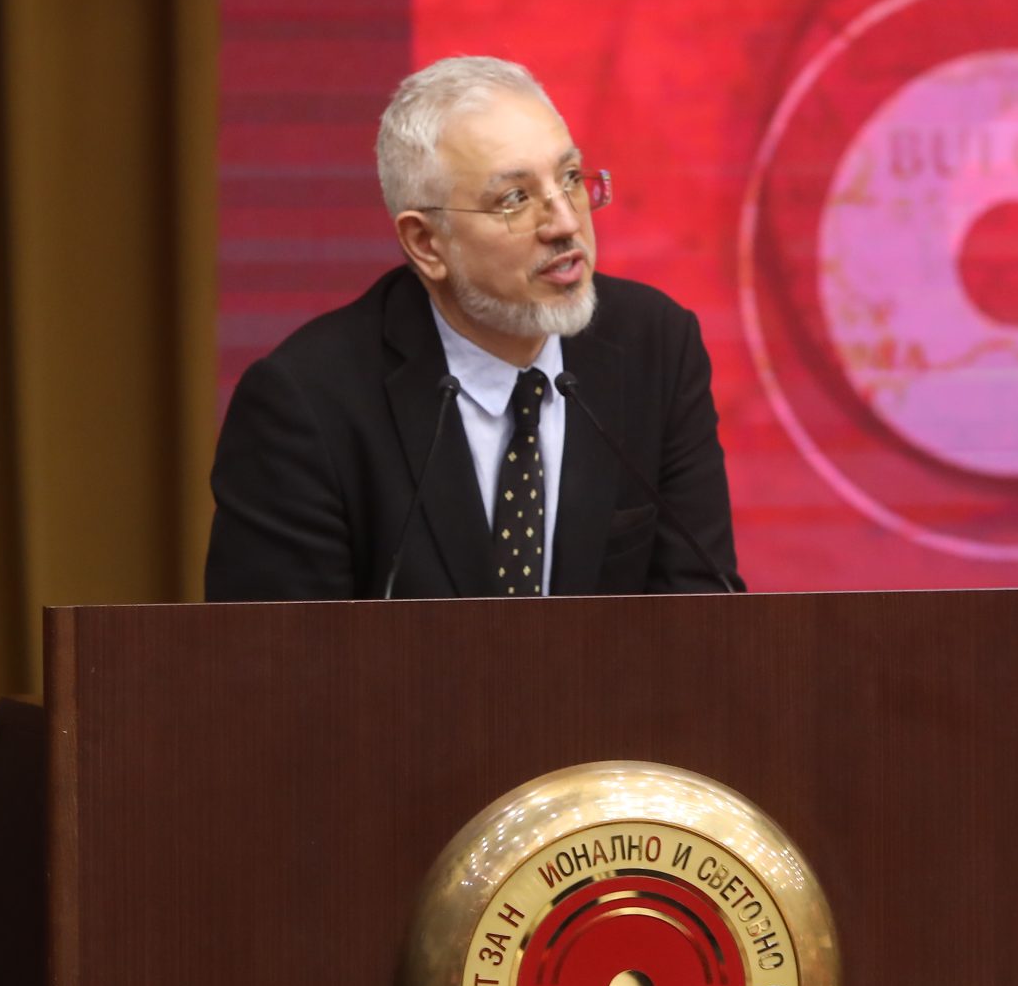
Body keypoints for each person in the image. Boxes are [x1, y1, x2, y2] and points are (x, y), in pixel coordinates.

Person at [206, 55, 743, 600]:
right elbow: (278, 649)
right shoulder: (306, 404)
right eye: (515, 199)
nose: (565, 223)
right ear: (425, 243)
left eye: (570, 179)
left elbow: (704, 613)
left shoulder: (655, 347)